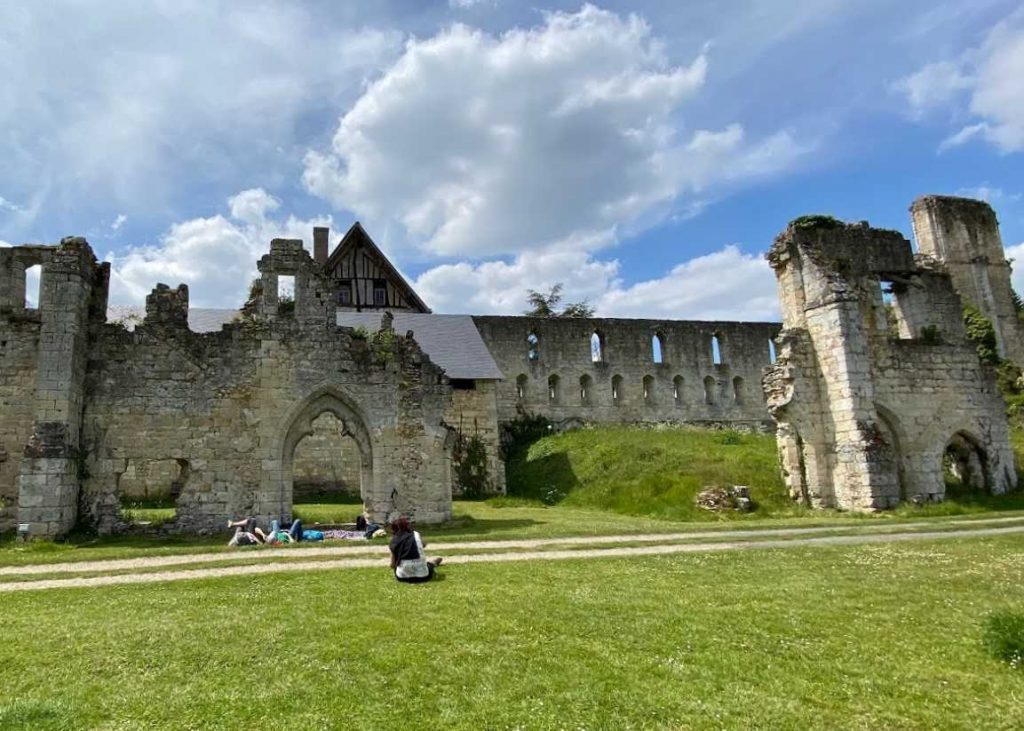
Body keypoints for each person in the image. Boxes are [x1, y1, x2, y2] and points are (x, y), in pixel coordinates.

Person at [388, 516, 442, 583]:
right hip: (423, 576)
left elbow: (392, 565)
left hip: (403, 577)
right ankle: (433, 562)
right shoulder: (416, 534)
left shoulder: (393, 541)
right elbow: (424, 544)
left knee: (398, 566)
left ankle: (432, 562)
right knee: (429, 565)